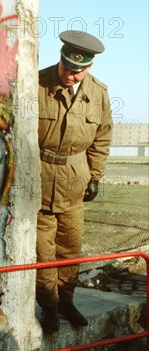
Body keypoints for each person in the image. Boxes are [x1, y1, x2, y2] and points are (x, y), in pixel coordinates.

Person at [37, 30, 113, 333]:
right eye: (66, 66)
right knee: (43, 254)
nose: (69, 74)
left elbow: (102, 137)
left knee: (70, 249)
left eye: (76, 70)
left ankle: (67, 301)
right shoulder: (37, 84)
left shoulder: (98, 93)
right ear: (61, 58)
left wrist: (95, 176)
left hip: (74, 183)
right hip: (39, 181)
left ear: (89, 68)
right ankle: (50, 307)